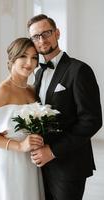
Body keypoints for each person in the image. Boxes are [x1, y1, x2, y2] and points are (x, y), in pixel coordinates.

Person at [27, 14, 102, 200]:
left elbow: (92, 120)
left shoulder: (79, 70)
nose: (42, 40)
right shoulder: (37, 73)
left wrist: (52, 151)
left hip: (69, 164)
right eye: (36, 36)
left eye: (46, 33)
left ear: (57, 33)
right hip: (40, 164)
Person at [0, 37, 45, 200]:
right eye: (23, 56)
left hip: (31, 164)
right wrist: (20, 146)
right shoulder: (2, 90)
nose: (29, 62)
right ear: (12, 59)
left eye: (34, 57)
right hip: (9, 162)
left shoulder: (32, 90)